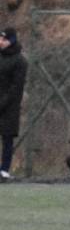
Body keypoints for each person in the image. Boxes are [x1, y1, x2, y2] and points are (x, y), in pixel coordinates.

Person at [0, 26, 28, 181]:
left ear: (11, 41)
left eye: (4, 39)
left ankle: (4, 170)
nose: (1, 42)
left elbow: (16, 88)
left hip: (9, 108)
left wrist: (2, 104)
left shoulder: (20, 61)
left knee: (7, 137)